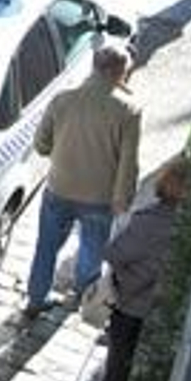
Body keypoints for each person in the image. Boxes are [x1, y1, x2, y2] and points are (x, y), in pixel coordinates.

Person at [23, 44, 140, 321]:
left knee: (47, 246)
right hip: (99, 197)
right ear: (121, 73)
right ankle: (83, 297)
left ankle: (36, 299)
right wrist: (123, 199)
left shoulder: (63, 100)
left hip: (59, 188)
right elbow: (128, 163)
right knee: (92, 250)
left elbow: (40, 146)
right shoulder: (128, 111)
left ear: (94, 66)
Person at [76, 157, 188, 381]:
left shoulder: (151, 221)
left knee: (118, 367)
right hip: (160, 307)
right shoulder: (185, 226)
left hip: (133, 305)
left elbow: (115, 253)